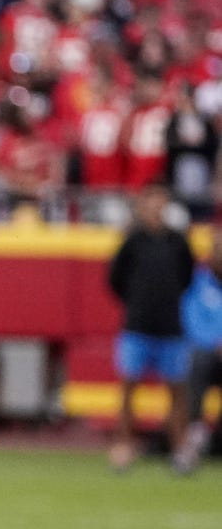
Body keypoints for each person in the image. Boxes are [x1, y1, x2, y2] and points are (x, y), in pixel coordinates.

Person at [107, 184, 195, 473]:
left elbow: (186, 278)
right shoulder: (132, 241)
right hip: (138, 325)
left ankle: (180, 449)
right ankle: (124, 447)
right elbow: (115, 279)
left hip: (171, 327)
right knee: (129, 388)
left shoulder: (177, 242)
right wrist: (137, 302)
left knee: (177, 391)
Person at [177, 225, 222, 470]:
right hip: (207, 353)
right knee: (197, 362)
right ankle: (195, 432)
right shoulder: (198, 282)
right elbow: (192, 319)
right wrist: (216, 342)